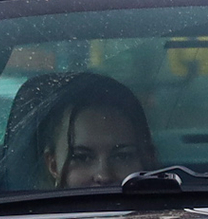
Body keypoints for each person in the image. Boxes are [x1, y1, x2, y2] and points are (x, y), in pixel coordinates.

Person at [20, 72, 157, 190]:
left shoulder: (173, 216)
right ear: (53, 165)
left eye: (122, 156)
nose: (104, 176)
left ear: (148, 157)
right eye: (82, 157)